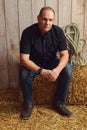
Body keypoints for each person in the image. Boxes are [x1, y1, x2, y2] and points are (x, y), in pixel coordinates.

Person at [19, 6, 72, 120]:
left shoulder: (58, 32)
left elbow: (65, 55)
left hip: (52, 62)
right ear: (38, 18)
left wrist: (56, 70)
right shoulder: (27, 33)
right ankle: (28, 103)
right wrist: (41, 71)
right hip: (33, 64)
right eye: (44, 19)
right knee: (23, 73)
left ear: (53, 20)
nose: (47, 23)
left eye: (50, 20)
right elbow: (24, 59)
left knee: (67, 69)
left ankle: (59, 102)